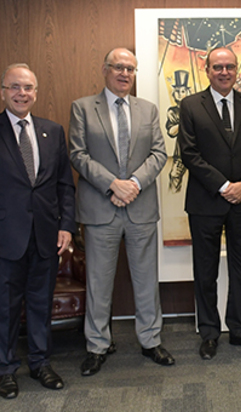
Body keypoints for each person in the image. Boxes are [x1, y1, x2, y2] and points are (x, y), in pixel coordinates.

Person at [69, 48, 173, 377]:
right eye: (118, 67)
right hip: (101, 208)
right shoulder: (83, 108)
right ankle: (98, 345)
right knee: (99, 282)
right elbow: (78, 154)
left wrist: (134, 184)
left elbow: (159, 153)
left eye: (130, 68)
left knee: (146, 280)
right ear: (105, 69)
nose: (125, 73)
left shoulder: (148, 109)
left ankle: (150, 340)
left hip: (140, 207)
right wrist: (113, 184)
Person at [178, 47, 241, 360]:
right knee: (206, 271)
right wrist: (223, 185)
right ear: (207, 70)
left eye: (229, 66)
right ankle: (209, 332)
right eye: (218, 67)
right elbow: (189, 154)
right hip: (205, 202)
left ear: (236, 69)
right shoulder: (190, 105)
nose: (224, 72)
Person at [0, 63, 75, 399]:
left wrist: (66, 227)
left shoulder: (52, 130)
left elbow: (64, 186)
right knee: (5, 306)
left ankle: (41, 363)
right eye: (15, 87)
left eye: (28, 88)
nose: (22, 93)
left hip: (46, 236)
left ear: (36, 92)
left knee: (41, 303)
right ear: (3, 92)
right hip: (6, 237)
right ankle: (5, 369)